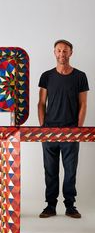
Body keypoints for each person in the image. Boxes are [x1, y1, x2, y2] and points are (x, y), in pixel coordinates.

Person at [37, 39, 89, 218]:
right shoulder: (46, 76)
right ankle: (50, 206)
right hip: (49, 130)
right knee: (50, 170)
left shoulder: (80, 76)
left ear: (71, 53)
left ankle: (70, 205)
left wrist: (78, 129)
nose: (62, 54)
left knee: (70, 170)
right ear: (54, 53)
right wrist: (43, 128)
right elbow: (41, 103)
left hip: (71, 130)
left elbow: (83, 104)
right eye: (59, 51)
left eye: (65, 51)